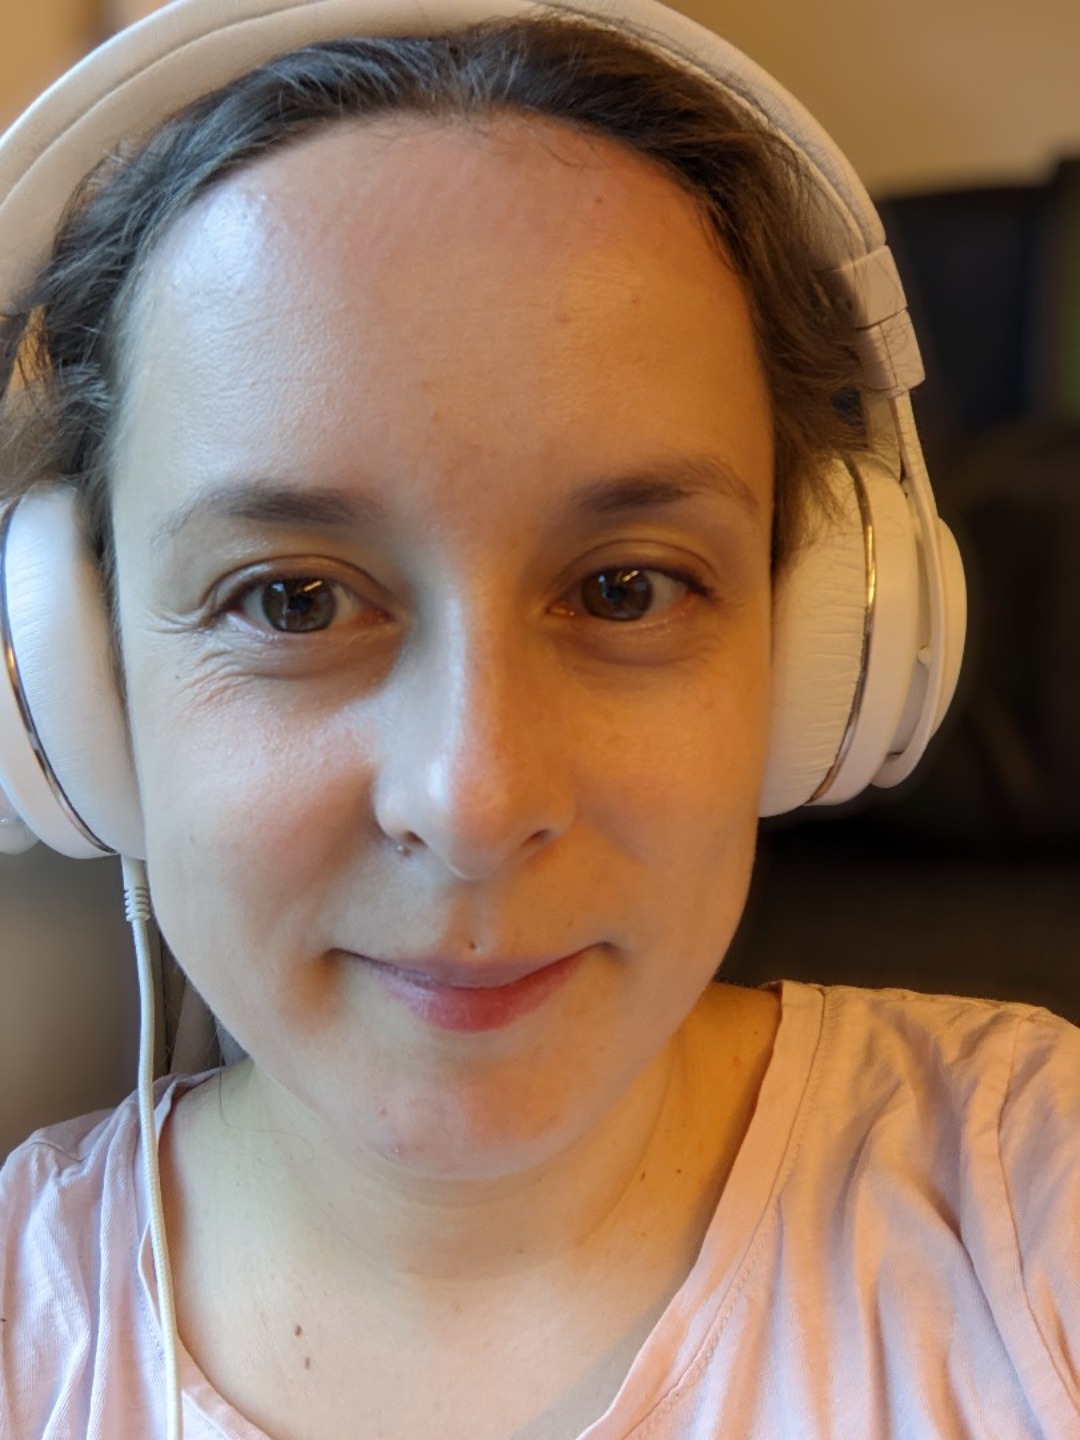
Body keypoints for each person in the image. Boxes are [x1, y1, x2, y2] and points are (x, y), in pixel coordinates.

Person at [0, 2, 1076, 1437]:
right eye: (294, 601)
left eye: (626, 589)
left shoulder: (1031, 1203)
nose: (477, 797)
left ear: (824, 655)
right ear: (71, 681)